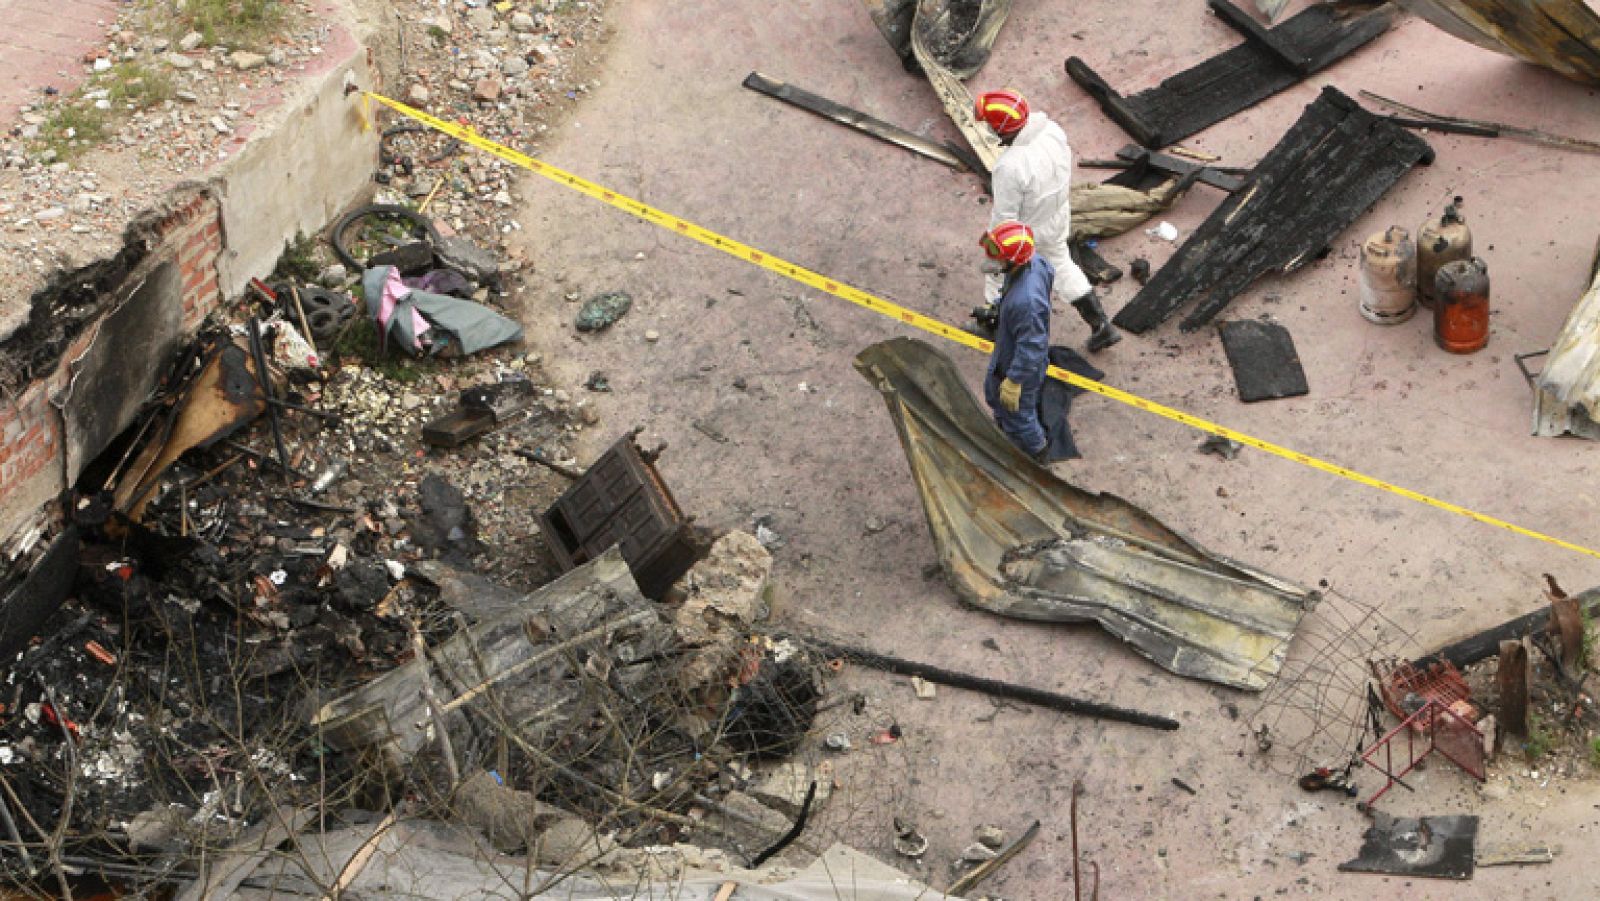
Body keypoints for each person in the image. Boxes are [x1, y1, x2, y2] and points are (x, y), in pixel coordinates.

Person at [974, 88, 1120, 352]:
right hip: (1057, 215)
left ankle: (992, 324)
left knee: (997, 273)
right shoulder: (1052, 130)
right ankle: (1101, 324)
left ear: (1001, 129)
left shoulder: (1010, 166)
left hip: (1028, 229)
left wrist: (993, 248)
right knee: (1062, 264)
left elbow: (1004, 218)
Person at [980, 220, 1053, 462]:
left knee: (1019, 415)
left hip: (1019, 366)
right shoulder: (1036, 263)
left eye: (998, 255)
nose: (993, 259)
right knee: (1004, 403)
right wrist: (1000, 309)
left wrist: (1014, 381)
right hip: (1013, 347)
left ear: (1013, 260)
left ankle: (1037, 455)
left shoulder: (1027, 303)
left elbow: (1032, 346)